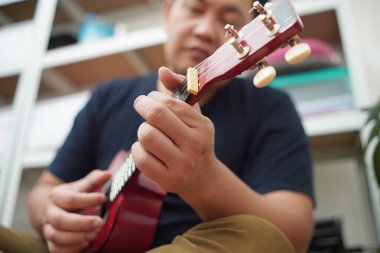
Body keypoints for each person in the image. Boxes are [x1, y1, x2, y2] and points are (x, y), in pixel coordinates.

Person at [0, 0, 314, 252]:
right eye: (194, 8)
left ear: (244, 37)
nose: (205, 29)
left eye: (227, 18)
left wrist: (204, 180)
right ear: (168, 13)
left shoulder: (271, 108)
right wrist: (52, 215)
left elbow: (292, 238)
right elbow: (44, 191)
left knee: (260, 238)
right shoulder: (107, 96)